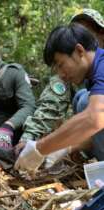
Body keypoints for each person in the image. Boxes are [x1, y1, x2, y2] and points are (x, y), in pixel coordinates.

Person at [17, 8, 104, 167]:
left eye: (61, 65)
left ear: (79, 50)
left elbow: (94, 119)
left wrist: (40, 148)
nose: (62, 74)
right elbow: (96, 133)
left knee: (85, 103)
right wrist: (64, 147)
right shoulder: (93, 75)